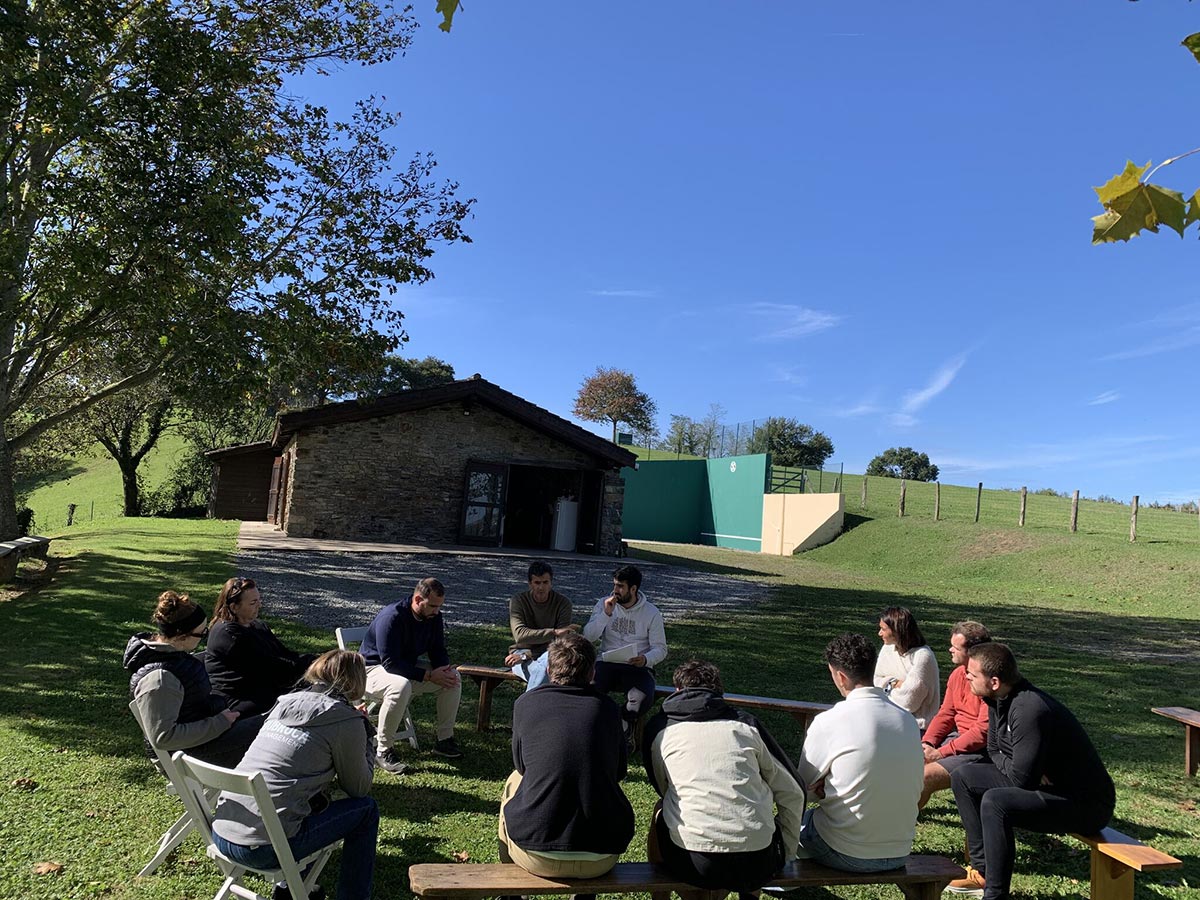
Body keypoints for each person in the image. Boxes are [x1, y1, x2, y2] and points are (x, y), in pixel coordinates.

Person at [947, 642, 1115, 899]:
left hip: (1086, 804)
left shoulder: (1028, 709)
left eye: (972, 673)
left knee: (996, 802)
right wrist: (1016, 764)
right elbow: (993, 750)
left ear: (994, 681)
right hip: (1045, 786)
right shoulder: (995, 700)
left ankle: (995, 893)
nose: (966, 676)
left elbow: (1020, 779)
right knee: (963, 777)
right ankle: (981, 872)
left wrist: (1019, 767)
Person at [211, 650, 379, 900]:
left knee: (310, 803)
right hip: (265, 848)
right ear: (357, 681)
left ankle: (290, 889)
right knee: (365, 810)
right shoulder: (347, 720)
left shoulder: (283, 704)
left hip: (223, 834)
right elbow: (358, 787)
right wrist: (366, 737)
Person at [644, 659, 805, 900]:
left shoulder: (660, 728)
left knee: (661, 809)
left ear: (677, 690)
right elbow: (793, 791)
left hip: (694, 861)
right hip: (757, 860)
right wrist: (787, 851)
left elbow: (662, 786)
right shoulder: (746, 724)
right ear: (720, 692)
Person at [498, 633, 634, 882]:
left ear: (549, 670)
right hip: (602, 854)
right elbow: (619, 771)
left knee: (513, 781)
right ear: (593, 673)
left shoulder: (526, 703)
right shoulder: (608, 709)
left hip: (536, 851)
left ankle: (512, 891)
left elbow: (521, 766)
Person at [796, 633, 923, 873]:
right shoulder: (907, 720)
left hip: (846, 849)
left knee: (783, 826)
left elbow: (799, 789)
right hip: (900, 850)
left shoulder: (830, 721)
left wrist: (821, 788)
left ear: (841, 677)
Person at [125, 591, 263, 768]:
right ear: (182, 636)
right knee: (270, 732)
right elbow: (163, 737)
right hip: (183, 758)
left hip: (199, 742)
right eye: (202, 634)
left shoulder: (174, 657)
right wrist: (220, 722)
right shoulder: (159, 679)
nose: (205, 638)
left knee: (269, 719)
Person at [359, 577, 463, 772]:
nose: (437, 611)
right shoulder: (392, 617)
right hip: (371, 669)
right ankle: (383, 750)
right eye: (432, 606)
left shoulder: (433, 617)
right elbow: (390, 663)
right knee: (400, 686)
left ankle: (444, 740)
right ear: (417, 600)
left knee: (454, 678)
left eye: (439, 607)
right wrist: (429, 676)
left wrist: (443, 670)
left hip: (405, 668)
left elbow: (437, 650)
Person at [205, 576, 319, 715]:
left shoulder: (257, 625)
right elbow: (272, 667)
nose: (259, 605)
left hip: (262, 687)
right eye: (253, 602)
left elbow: (285, 655)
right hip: (238, 698)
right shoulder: (228, 635)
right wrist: (316, 665)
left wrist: (317, 660)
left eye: (259, 600)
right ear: (234, 607)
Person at [582, 565, 667, 745]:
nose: (615, 591)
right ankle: (598, 729)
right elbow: (588, 636)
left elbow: (660, 649)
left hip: (636, 666)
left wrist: (645, 659)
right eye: (615, 585)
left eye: (620, 586)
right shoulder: (604, 604)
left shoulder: (651, 613)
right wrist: (606, 614)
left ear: (633, 589)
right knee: (588, 691)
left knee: (640, 700)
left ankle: (622, 725)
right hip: (607, 662)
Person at [919, 620, 992, 808]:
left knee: (926, 776)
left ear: (973, 652)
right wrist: (927, 743)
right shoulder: (958, 674)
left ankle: (899, 826)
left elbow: (981, 733)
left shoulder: (987, 682)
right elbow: (946, 713)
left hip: (980, 751)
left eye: (955, 647)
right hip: (957, 739)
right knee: (908, 759)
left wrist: (940, 753)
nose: (950, 650)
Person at [502, 561, 578, 692]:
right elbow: (520, 636)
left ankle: (528, 708)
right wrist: (553, 632)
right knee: (544, 672)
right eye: (537, 583)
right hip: (519, 654)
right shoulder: (519, 601)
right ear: (530, 583)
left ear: (551, 583)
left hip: (550, 654)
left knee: (545, 669)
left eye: (545, 582)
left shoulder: (563, 603)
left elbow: (561, 642)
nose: (541, 587)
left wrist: (527, 655)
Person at [873, 606, 940, 730]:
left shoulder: (922, 656)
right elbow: (875, 681)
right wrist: (894, 683)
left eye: (883, 629)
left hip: (916, 727)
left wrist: (885, 692)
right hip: (888, 720)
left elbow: (908, 702)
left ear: (897, 631)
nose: (879, 633)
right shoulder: (887, 648)